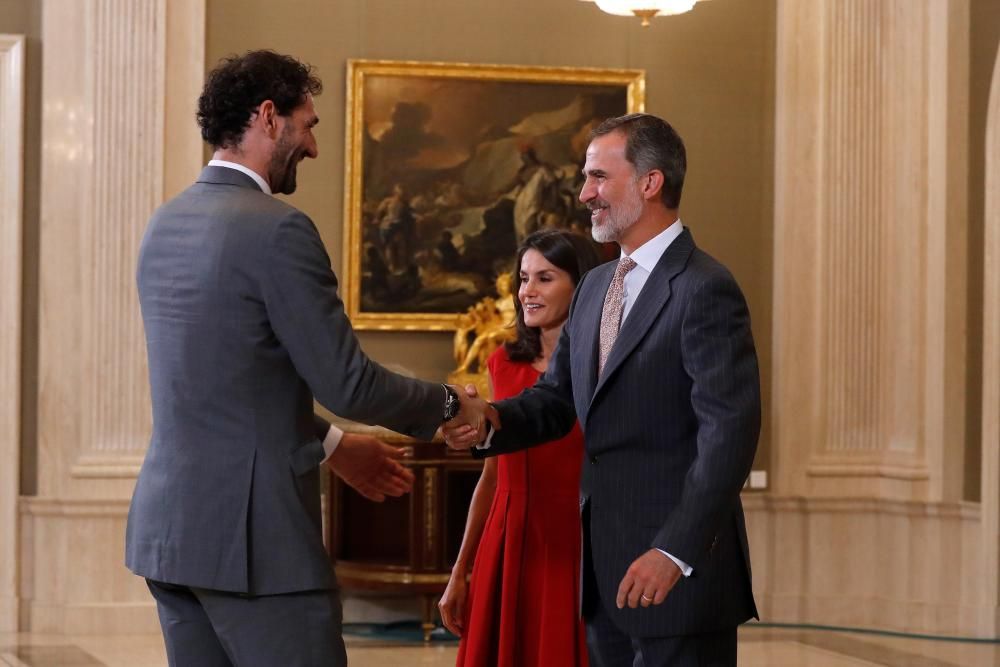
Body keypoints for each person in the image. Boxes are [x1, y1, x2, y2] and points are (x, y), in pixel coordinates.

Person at [125, 50, 486, 667]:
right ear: (269, 117)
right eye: (309, 124)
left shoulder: (165, 223)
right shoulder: (278, 229)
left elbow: (227, 383)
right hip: (256, 547)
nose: (314, 147)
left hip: (173, 536)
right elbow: (348, 383)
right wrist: (452, 403)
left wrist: (334, 446)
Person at [443, 113, 760, 667]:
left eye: (597, 178)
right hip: (602, 579)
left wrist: (674, 550)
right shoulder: (594, 286)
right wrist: (488, 417)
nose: (584, 193)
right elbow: (555, 398)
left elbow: (729, 433)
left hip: (678, 578)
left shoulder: (705, 288)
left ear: (650, 182)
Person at [439, 230, 601, 667]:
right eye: (523, 278)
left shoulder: (605, 364)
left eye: (544, 278)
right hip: (507, 540)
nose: (527, 291)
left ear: (581, 284)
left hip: (576, 542)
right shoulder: (501, 362)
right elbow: (492, 477)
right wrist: (460, 570)